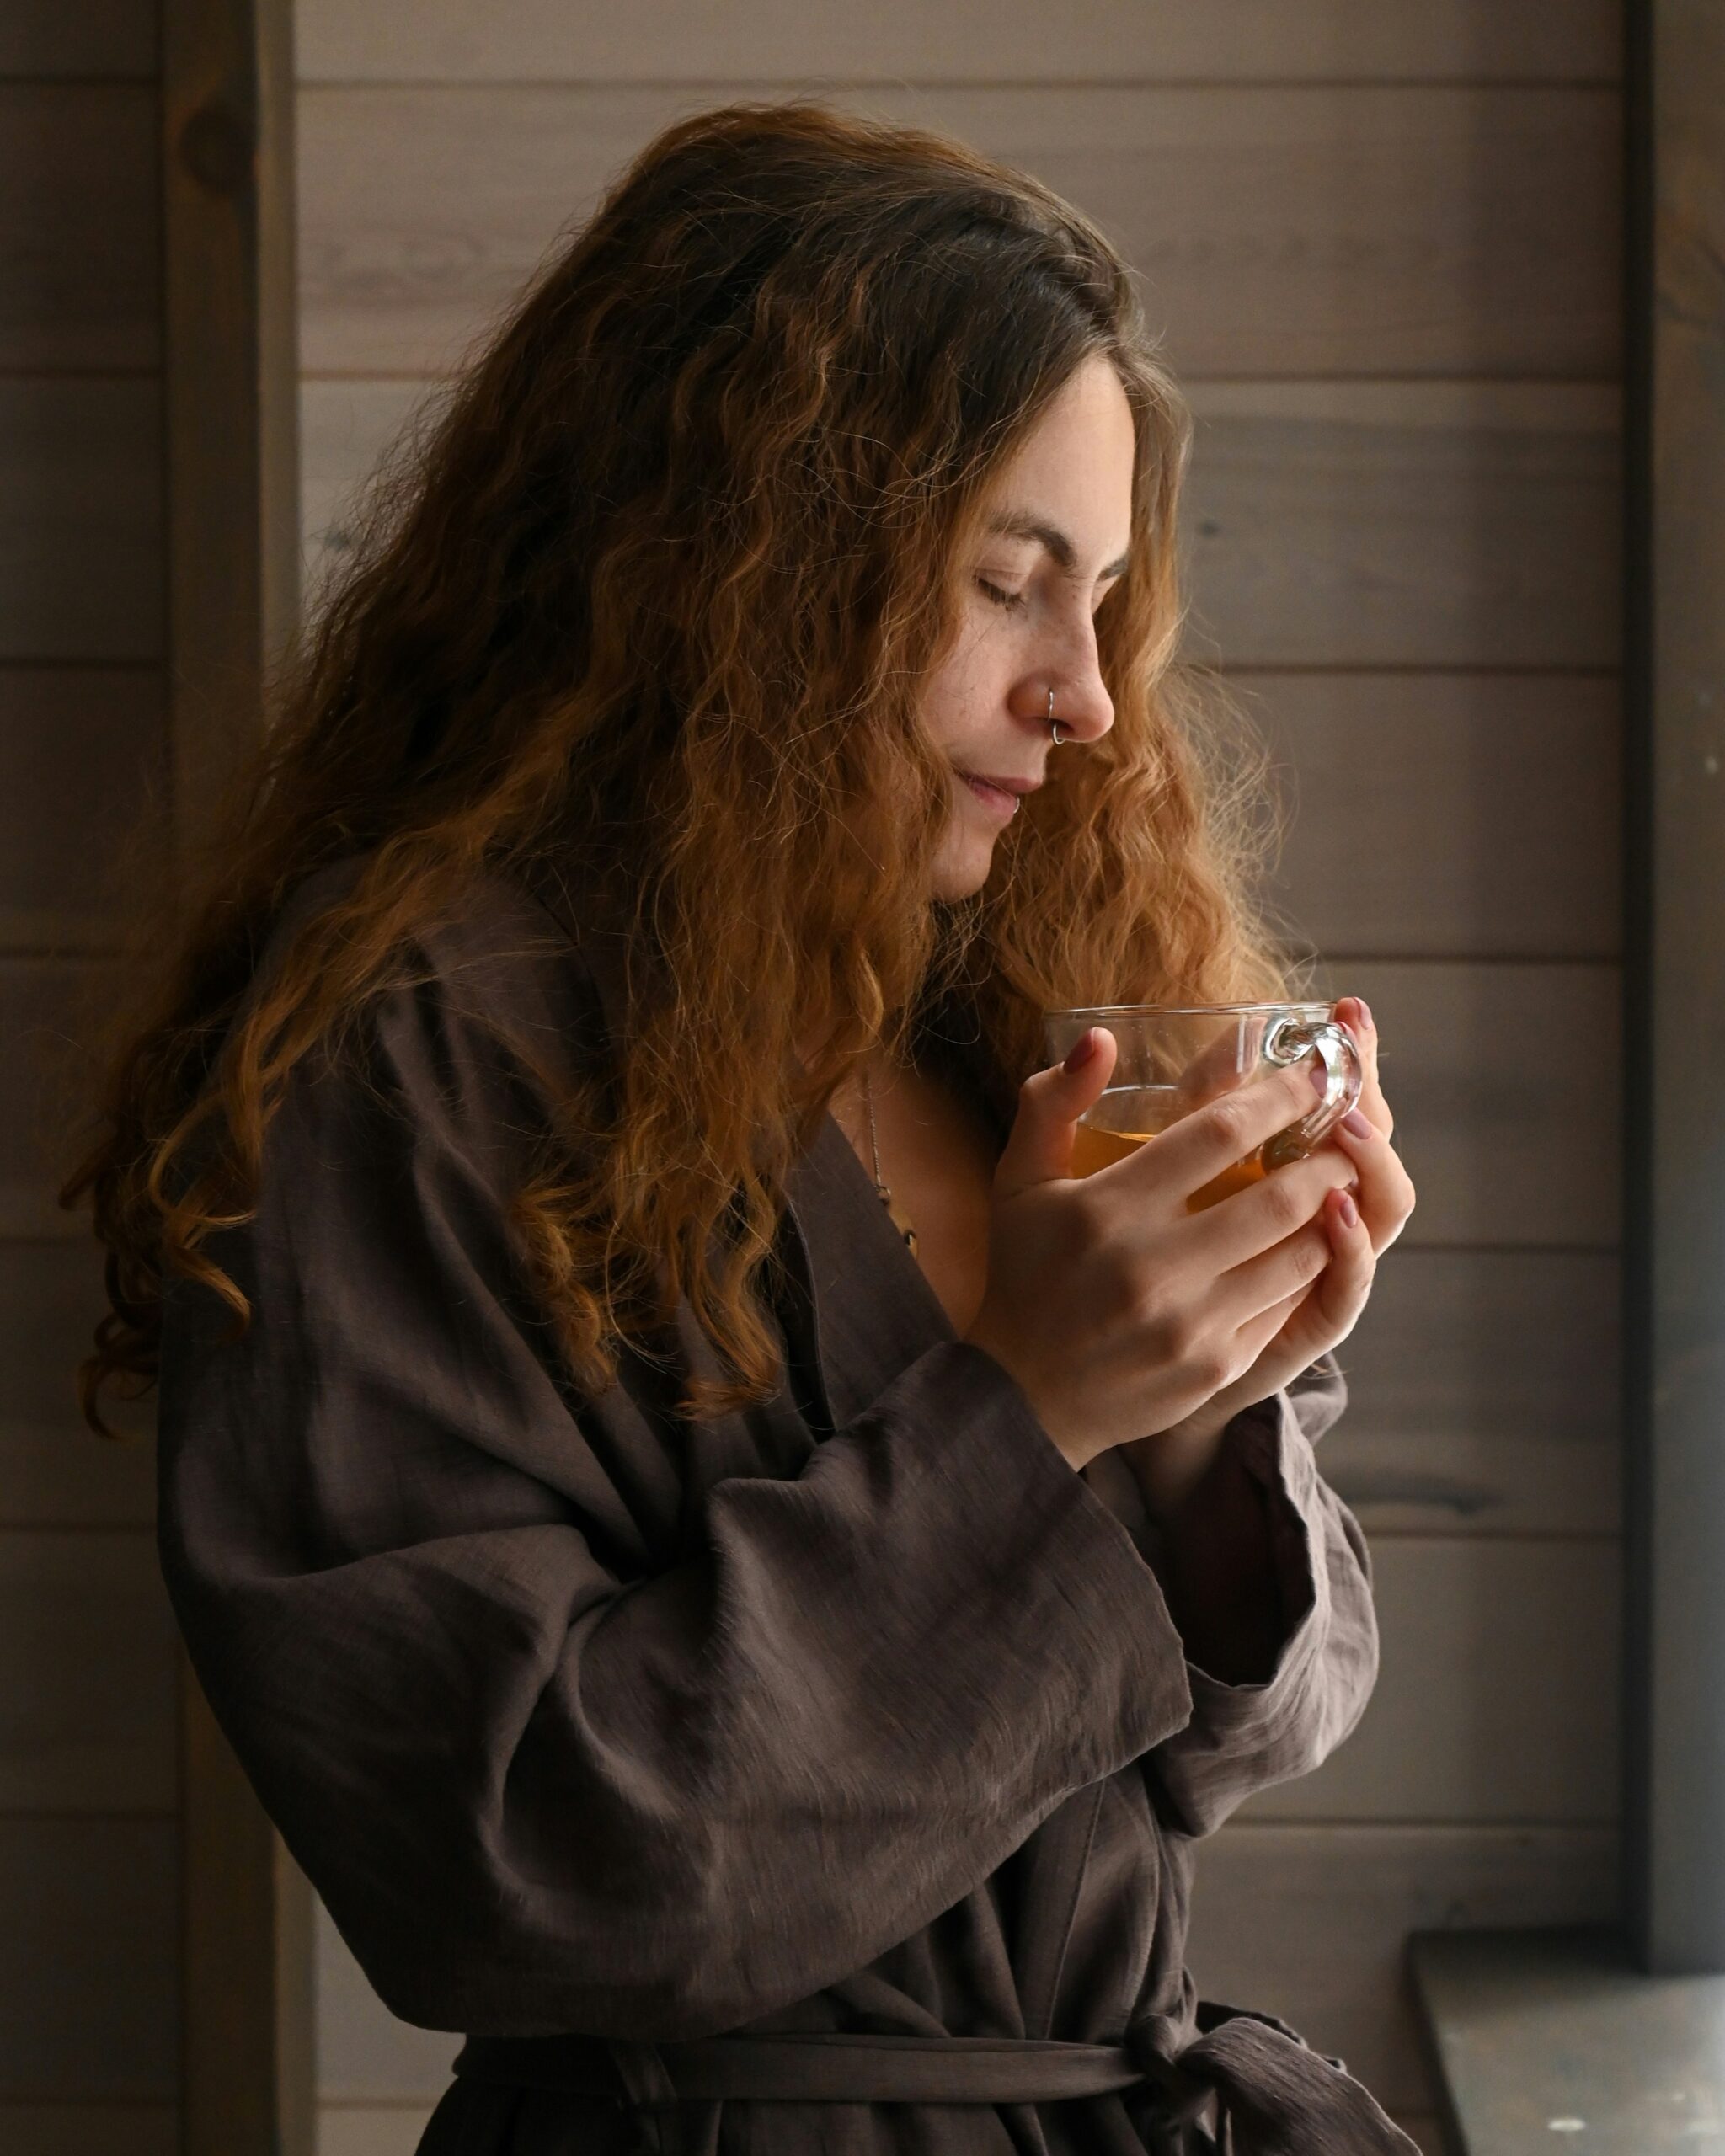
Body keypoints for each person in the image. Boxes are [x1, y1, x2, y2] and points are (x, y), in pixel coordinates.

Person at [62, 100, 1418, 2156]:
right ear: (749, 567)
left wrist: (1203, 1417)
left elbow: (1243, 1734)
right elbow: (499, 1857)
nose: (1091, 703)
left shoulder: (998, 1007)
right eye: (1004, 584)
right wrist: (1027, 1411)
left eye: (1106, 602)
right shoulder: (417, 1046)